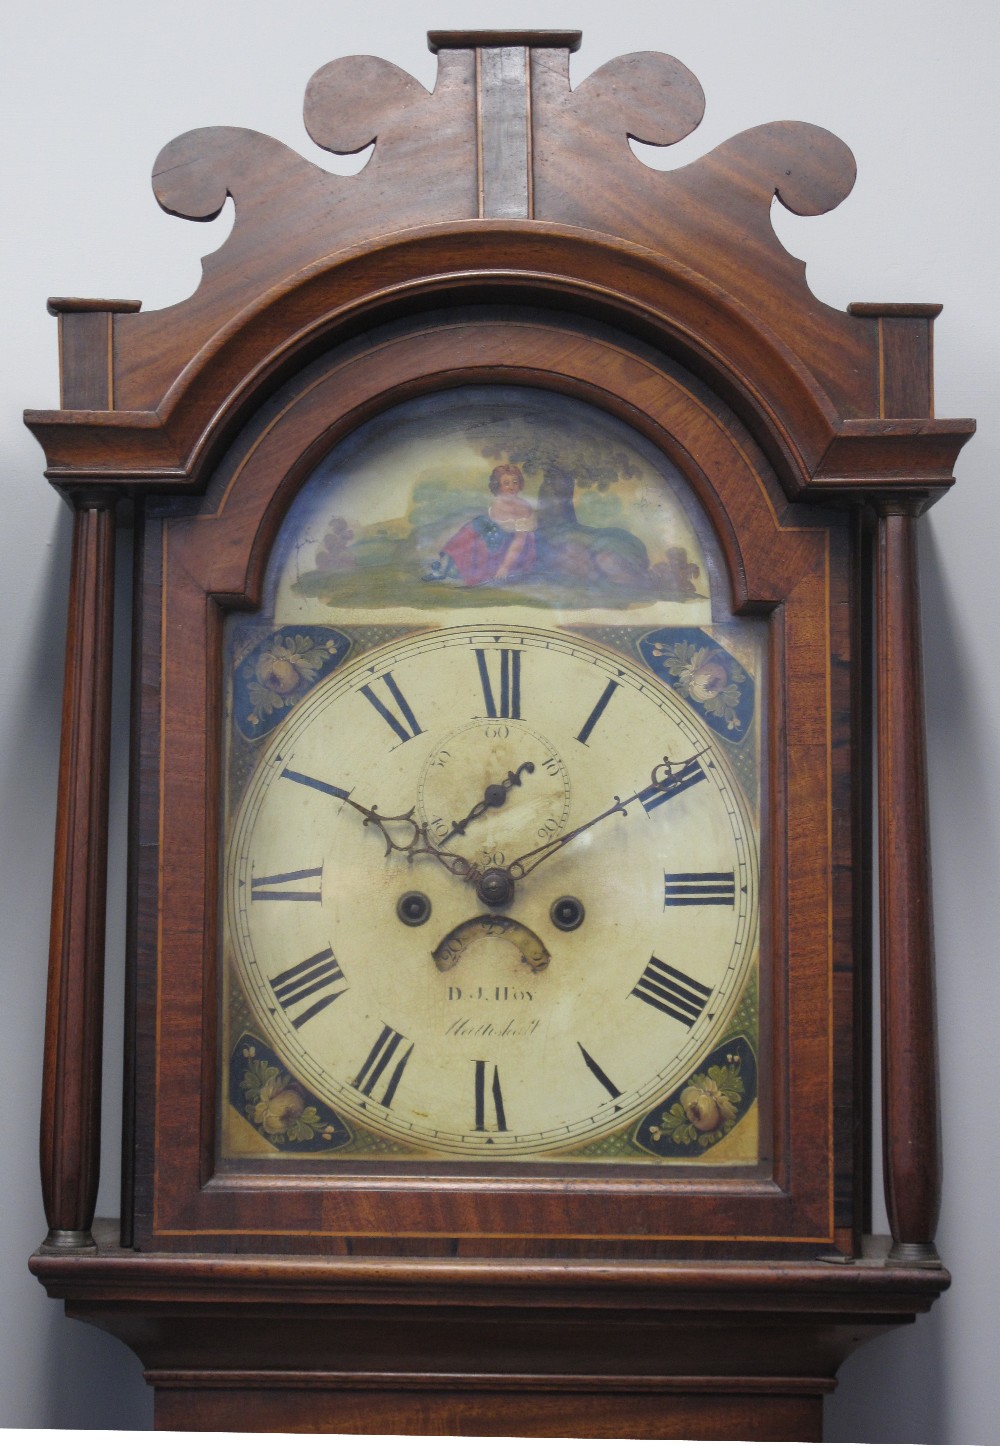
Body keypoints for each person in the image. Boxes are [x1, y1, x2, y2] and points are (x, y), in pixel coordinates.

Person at [425, 463, 536, 585]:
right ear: (498, 486)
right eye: (506, 483)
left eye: (515, 482)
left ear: (520, 484)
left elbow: (519, 541)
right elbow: (491, 528)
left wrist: (504, 567)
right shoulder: (498, 502)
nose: (511, 487)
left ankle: (450, 566)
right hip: (495, 539)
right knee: (476, 524)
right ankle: (448, 560)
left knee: (479, 526)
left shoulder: (522, 508)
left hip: (513, 550)